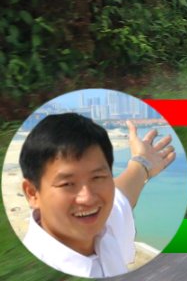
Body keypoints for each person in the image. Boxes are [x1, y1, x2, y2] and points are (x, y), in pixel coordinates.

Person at [19, 113, 177, 278]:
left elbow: (121, 196)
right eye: (67, 184)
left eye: (97, 177)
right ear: (32, 193)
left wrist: (142, 162)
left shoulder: (104, 227)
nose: (87, 198)